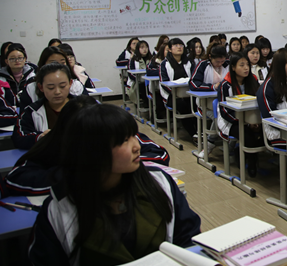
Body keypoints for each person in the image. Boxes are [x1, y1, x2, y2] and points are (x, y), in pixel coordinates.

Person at [28, 103, 200, 265]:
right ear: (95, 151)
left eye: (134, 136)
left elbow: (188, 239)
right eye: (124, 140)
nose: (136, 146)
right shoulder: (60, 209)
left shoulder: (159, 182)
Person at [5, 96, 170, 196]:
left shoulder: (114, 132)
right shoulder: (53, 144)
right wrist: (81, 174)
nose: (134, 146)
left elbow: (159, 155)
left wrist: (117, 165)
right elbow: (15, 179)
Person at [217, 52, 263, 173]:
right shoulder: (225, 85)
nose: (246, 68)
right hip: (231, 121)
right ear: (233, 67)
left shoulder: (253, 80)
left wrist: (256, 120)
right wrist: (246, 123)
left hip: (252, 119)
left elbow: (258, 102)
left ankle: (241, 152)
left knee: (265, 133)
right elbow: (224, 111)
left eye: (247, 64)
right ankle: (251, 165)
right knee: (248, 136)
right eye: (241, 65)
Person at [13, 63, 74, 150]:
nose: (57, 92)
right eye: (51, 87)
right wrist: (40, 137)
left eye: (62, 86)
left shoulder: (83, 108)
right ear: (41, 87)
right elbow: (19, 138)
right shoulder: (31, 111)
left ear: (70, 83)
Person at [19, 46, 86, 112]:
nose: (57, 92)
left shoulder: (76, 86)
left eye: (63, 63)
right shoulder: (31, 88)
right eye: (51, 87)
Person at [160, 38, 198, 138]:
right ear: (170, 49)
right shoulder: (165, 64)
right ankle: (193, 134)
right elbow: (164, 83)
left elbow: (194, 78)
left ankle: (200, 132)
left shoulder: (189, 62)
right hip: (171, 95)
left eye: (181, 45)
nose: (179, 47)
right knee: (183, 106)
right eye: (176, 45)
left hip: (188, 93)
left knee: (197, 104)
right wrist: (174, 93)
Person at [0, 43, 35, 126]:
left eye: (20, 58)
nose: (17, 61)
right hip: (8, 115)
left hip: (29, 114)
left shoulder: (32, 76)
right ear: (6, 61)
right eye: (12, 58)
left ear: (25, 59)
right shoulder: (1, 78)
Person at [126, 40, 152, 106]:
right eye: (142, 47)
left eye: (146, 47)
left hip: (151, 81)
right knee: (142, 86)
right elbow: (130, 74)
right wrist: (139, 79)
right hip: (137, 82)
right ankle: (147, 105)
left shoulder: (151, 59)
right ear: (138, 49)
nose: (145, 49)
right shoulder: (133, 60)